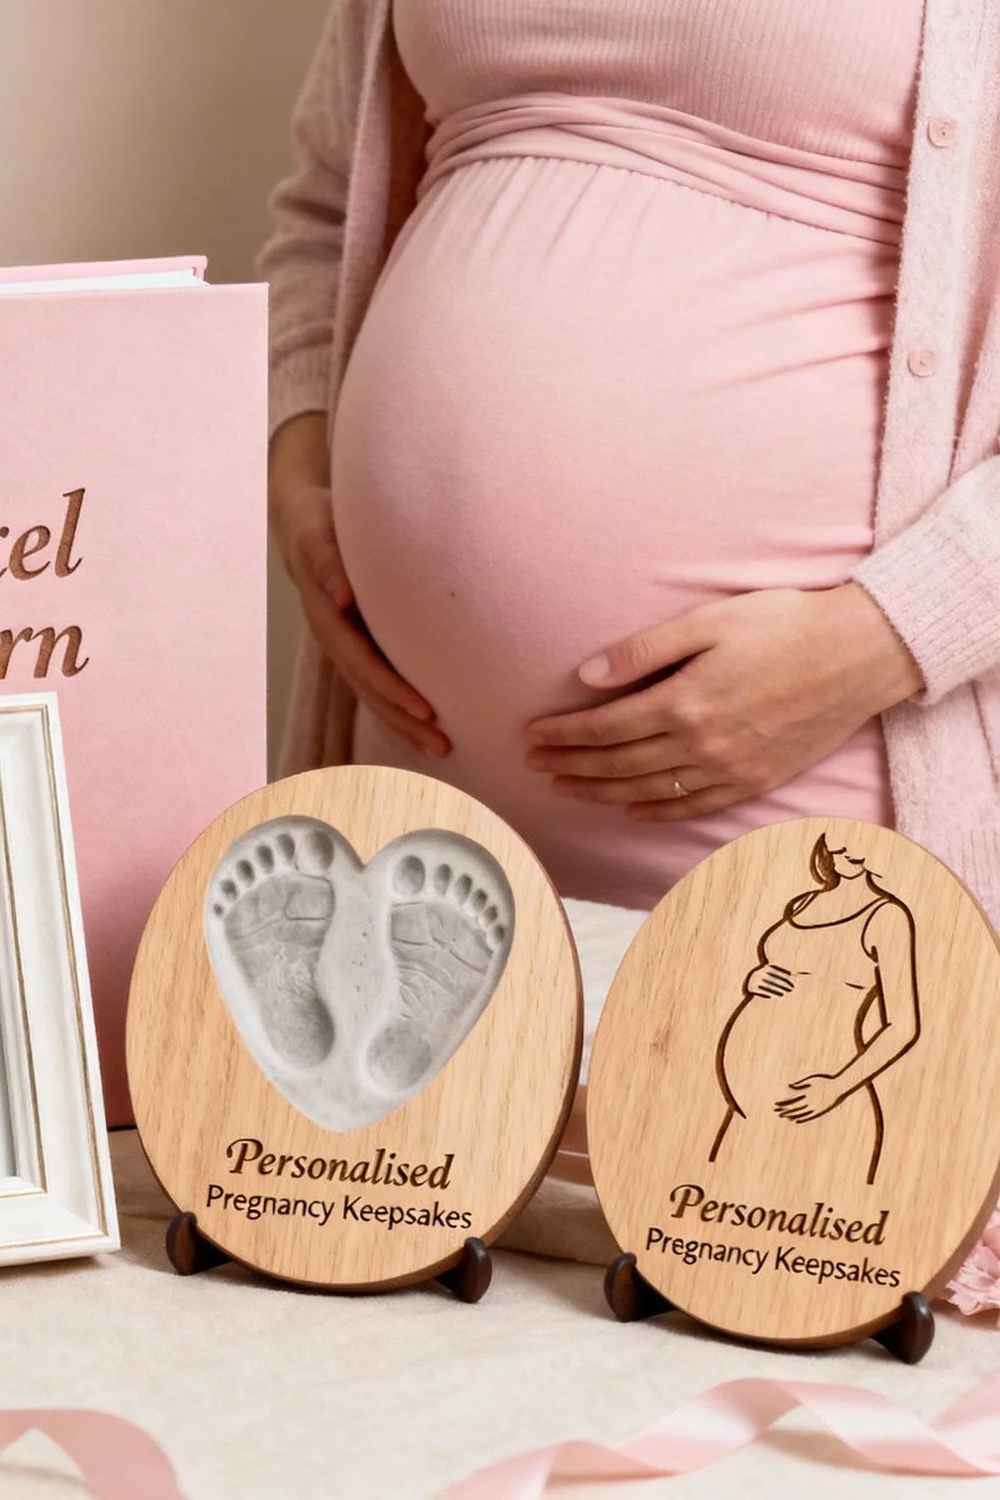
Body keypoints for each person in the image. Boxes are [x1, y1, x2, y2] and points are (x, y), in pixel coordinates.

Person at [259, 0, 1000, 922]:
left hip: (815, 791)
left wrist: (886, 638)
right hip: (417, 792)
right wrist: (297, 476)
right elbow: (330, 210)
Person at [711, 835, 919, 1187]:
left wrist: (836, 1088)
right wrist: (752, 978)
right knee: (720, 1199)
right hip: (748, 1102)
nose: (846, 849)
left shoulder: (887, 916)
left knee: (819, 1198)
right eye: (838, 843)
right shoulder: (802, 902)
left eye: (855, 844)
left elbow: (902, 1025)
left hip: (814, 1100)